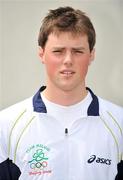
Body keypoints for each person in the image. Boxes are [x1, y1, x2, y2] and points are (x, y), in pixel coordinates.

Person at [0, 6, 123, 180]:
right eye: (58, 51)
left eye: (77, 51)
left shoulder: (119, 124)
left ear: (91, 55)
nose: (68, 60)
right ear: (41, 54)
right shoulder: (6, 126)